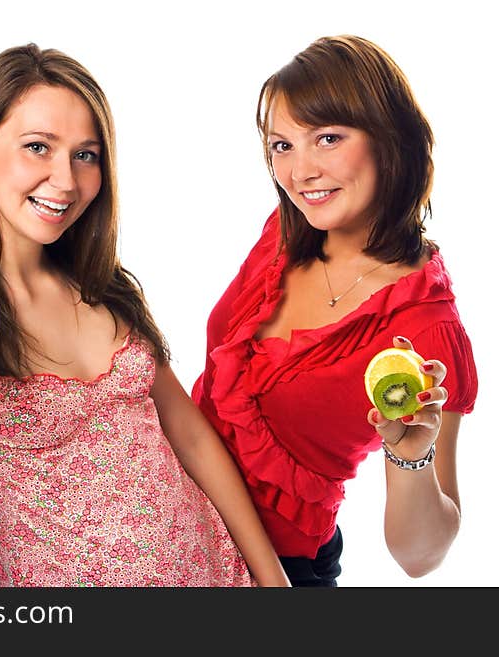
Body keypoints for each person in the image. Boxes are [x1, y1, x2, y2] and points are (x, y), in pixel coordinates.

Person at [0, 44, 289, 588]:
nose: (66, 180)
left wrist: (274, 583)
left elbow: (191, 440)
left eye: (85, 155)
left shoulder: (106, 289)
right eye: (38, 147)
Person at [191, 35, 478, 586]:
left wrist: (410, 457)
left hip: (279, 571)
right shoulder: (283, 237)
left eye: (327, 138)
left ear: (389, 139)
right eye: (282, 146)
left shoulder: (426, 328)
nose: (300, 173)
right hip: (171, 528)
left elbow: (420, 557)